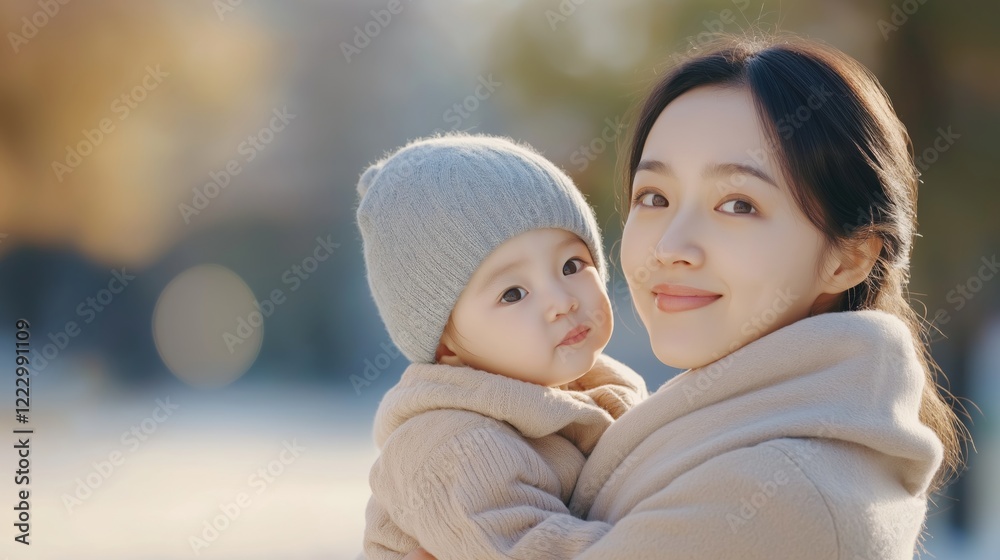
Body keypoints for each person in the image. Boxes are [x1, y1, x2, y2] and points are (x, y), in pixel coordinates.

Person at [402, 35, 966, 560]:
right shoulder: (688, 428)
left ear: (850, 258)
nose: (671, 246)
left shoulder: (779, 494)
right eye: (654, 196)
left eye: (738, 204)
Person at [356, 133, 648, 559]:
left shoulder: (603, 387)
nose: (561, 301)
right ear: (445, 347)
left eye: (571, 265)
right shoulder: (451, 446)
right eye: (513, 293)